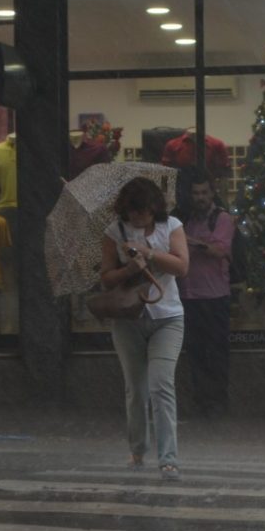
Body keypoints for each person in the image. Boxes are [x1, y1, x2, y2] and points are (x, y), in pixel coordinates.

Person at [98, 176, 190, 481]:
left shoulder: (171, 226)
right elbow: (107, 278)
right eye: (135, 212)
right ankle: (137, 449)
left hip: (167, 317)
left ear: (155, 210)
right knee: (136, 389)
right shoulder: (114, 232)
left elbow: (181, 265)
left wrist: (148, 253)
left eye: (146, 213)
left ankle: (168, 458)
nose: (141, 218)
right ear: (126, 210)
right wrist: (129, 268)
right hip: (128, 319)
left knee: (161, 385)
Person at [177, 168, 234, 417]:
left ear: (212, 194)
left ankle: (218, 400)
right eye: (196, 193)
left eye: (204, 193)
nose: (200, 197)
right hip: (190, 297)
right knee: (196, 352)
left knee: (217, 351)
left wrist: (189, 242)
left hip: (215, 298)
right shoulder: (186, 220)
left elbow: (219, 250)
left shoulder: (221, 219)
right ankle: (201, 401)